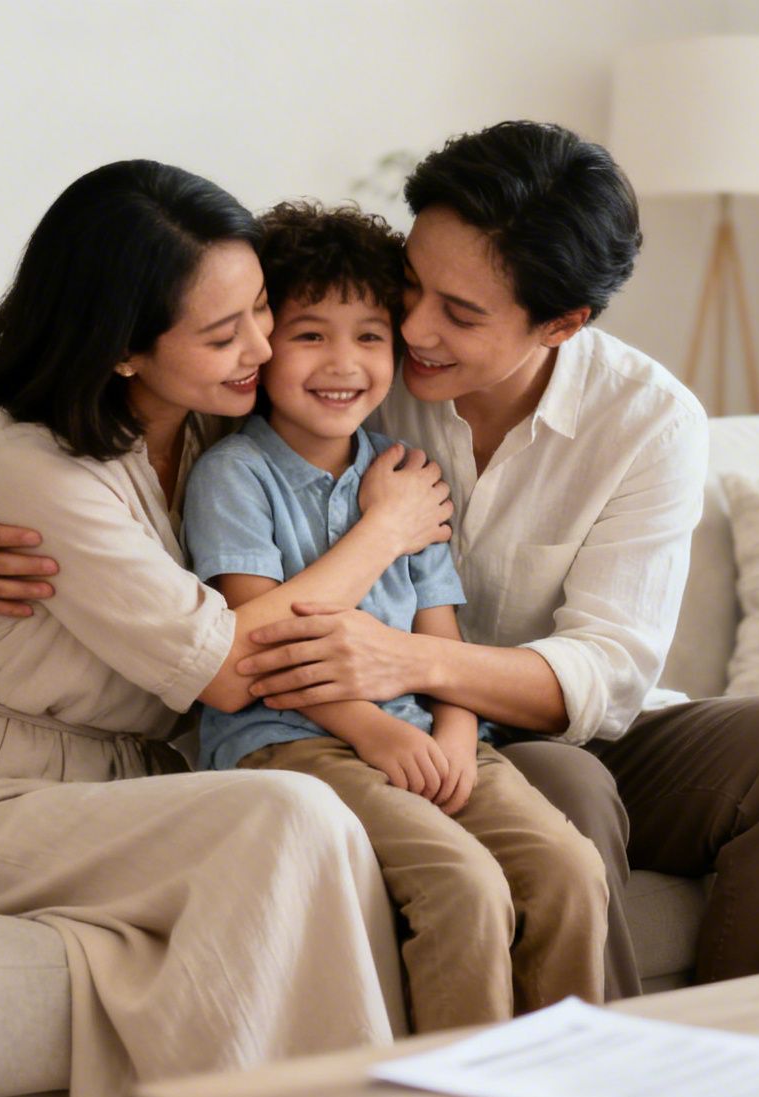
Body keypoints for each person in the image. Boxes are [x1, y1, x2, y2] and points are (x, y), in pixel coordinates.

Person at [0, 122, 759, 999]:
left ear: (560, 324)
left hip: (513, 709)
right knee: (561, 802)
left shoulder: (647, 418)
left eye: (457, 313)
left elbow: (611, 670)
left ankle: (745, 1063)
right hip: (344, 721)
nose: (409, 333)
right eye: (409, 288)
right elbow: (108, 411)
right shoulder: (326, 379)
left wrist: (414, 666)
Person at [0, 160, 454, 1097]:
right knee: (287, 813)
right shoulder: (35, 463)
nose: (261, 348)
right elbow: (226, 666)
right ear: (125, 349)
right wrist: (382, 534)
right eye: (224, 335)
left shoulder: (219, 431)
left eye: (261, 313)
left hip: (133, 786)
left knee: (331, 825)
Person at [182, 200, 605, 1030]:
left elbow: (440, 637)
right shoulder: (234, 477)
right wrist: (376, 735)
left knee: (570, 872)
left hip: (429, 735)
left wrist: (452, 736)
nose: (343, 362)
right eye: (310, 334)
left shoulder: (407, 472)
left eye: (370, 336)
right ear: (265, 344)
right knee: (464, 887)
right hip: (292, 742)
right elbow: (255, 646)